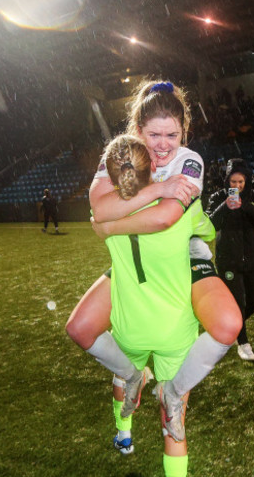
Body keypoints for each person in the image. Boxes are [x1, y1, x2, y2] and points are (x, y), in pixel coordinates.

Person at [65, 80, 242, 430]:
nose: (163, 147)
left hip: (184, 255)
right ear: (138, 130)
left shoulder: (190, 160)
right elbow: (98, 208)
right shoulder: (119, 153)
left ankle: (173, 392)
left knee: (226, 325)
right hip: (137, 256)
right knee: (80, 328)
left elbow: (164, 218)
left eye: (171, 136)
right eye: (154, 136)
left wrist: (113, 226)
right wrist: (160, 188)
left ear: (184, 133)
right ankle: (132, 376)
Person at [91, 134, 215, 477]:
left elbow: (100, 207)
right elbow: (204, 233)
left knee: (121, 373)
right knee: (173, 419)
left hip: (129, 319)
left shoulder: (110, 215)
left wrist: (105, 224)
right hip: (175, 326)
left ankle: (124, 435)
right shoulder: (178, 207)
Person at [207, 158, 254, 361]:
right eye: (233, 182)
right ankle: (243, 343)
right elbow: (210, 225)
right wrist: (225, 206)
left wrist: (246, 206)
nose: (237, 186)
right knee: (237, 302)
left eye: (241, 182)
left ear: (246, 181)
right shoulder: (217, 197)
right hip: (228, 260)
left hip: (252, 257)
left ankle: (232, 327)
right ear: (227, 181)